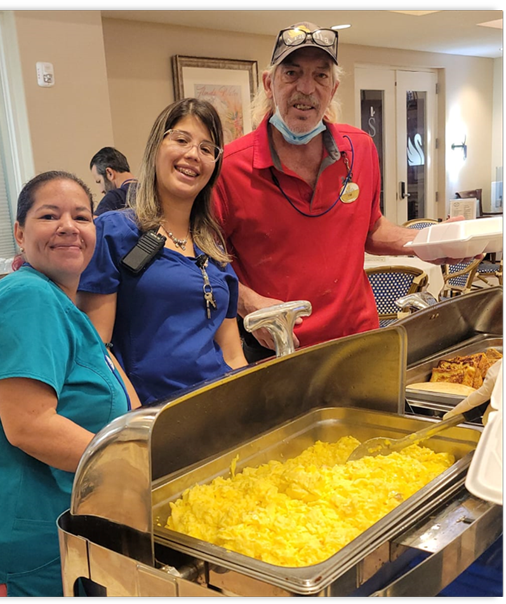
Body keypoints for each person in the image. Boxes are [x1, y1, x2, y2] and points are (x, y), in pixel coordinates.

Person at [212, 21, 478, 362]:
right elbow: (205, 263)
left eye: (320, 76)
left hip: (358, 339)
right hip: (278, 350)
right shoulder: (230, 167)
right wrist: (248, 303)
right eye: (291, 73)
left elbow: (372, 228)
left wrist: (433, 241)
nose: (305, 88)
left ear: (333, 88)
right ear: (269, 84)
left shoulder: (361, 149)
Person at [0, 171, 132, 598]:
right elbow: (31, 424)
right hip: (1, 541)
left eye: (81, 216)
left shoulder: (62, 302)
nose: (68, 226)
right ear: (20, 233)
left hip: (41, 528)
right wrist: (135, 470)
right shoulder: (25, 297)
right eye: (49, 215)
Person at [78, 98, 248, 406]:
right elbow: (97, 348)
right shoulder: (116, 233)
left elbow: (233, 352)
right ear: (157, 146)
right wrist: (137, 417)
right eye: (182, 140)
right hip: (153, 413)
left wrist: (245, 410)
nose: (193, 155)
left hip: (219, 407)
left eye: (207, 149)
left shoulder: (213, 247)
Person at [90, 146, 137, 216]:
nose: (101, 190)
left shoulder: (113, 198)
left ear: (110, 173)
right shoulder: (151, 190)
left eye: (99, 181)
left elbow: (94, 224)